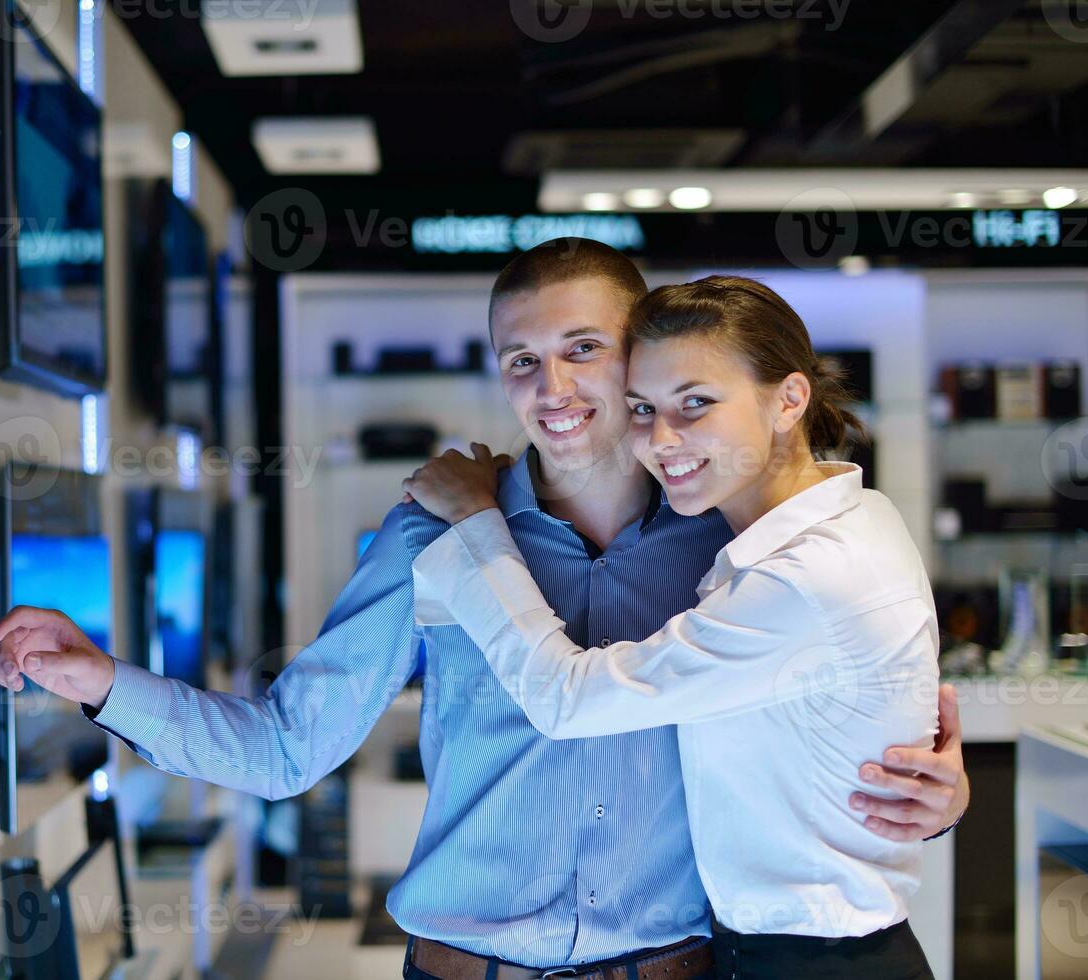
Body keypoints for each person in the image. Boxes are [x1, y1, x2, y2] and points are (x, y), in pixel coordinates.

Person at [0, 240, 968, 980]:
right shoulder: (424, 536)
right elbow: (285, 748)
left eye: (585, 349)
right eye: (519, 359)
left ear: (645, 356)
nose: (552, 388)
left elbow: (820, 736)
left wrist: (936, 796)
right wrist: (103, 681)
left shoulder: (732, 542)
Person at [402, 275, 943, 978]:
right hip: (760, 952)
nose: (661, 439)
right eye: (642, 407)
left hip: (813, 962)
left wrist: (477, 526)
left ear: (788, 399)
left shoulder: (806, 576)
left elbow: (566, 699)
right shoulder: (841, 519)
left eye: (696, 404)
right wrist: (937, 787)